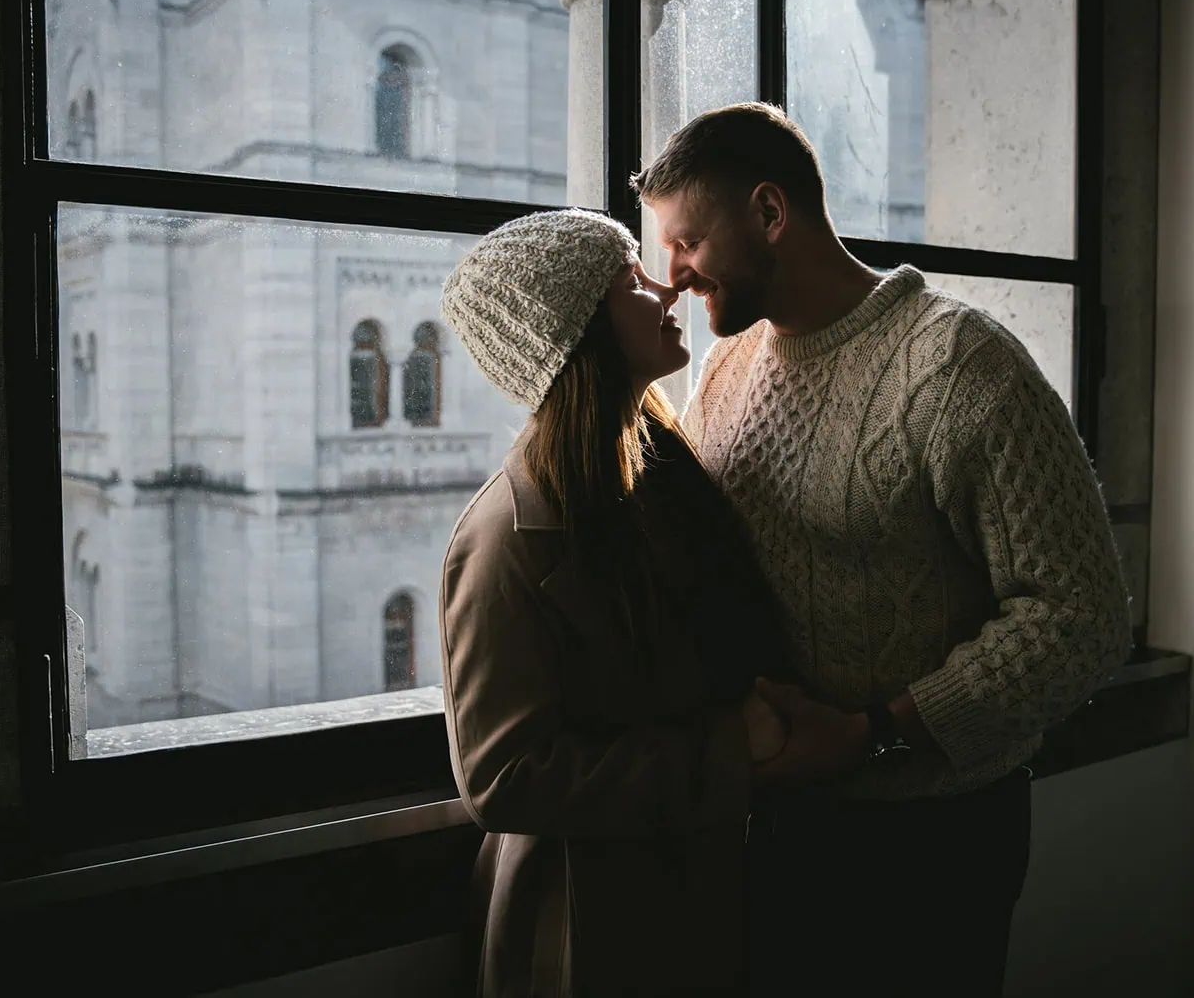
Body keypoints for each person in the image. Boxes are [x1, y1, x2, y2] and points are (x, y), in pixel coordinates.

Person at [633, 102, 1135, 997]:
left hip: (935, 834)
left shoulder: (959, 365)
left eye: (686, 242)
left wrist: (873, 733)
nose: (669, 277)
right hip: (776, 823)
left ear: (770, 214)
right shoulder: (728, 372)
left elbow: (1084, 617)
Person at [437, 208, 796, 998]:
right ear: (580, 334)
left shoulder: (664, 473)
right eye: (629, 279)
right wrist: (732, 748)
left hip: (697, 889)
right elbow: (504, 775)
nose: (666, 286)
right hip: (589, 925)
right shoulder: (511, 536)